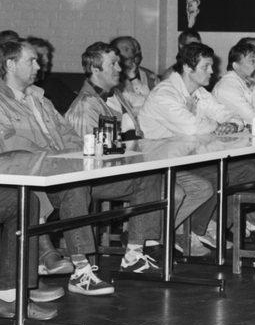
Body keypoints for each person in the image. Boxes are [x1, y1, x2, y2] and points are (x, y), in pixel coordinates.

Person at [0, 38, 154, 299]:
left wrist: (70, 156)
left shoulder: (40, 98)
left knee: (146, 178)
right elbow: (10, 146)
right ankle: (80, 271)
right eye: (32, 60)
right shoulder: (2, 102)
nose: (39, 66)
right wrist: (57, 158)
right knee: (75, 186)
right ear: (11, 65)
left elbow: (69, 135)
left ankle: (134, 254)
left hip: (57, 173)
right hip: (28, 181)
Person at [138, 41, 255, 257]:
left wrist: (232, 124)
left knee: (247, 170)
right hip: (159, 167)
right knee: (205, 185)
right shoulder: (164, 94)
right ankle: (164, 233)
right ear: (187, 67)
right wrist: (217, 125)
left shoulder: (200, 92)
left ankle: (202, 227)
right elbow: (191, 127)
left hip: (188, 161)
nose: (212, 71)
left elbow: (230, 115)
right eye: (206, 66)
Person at [65, 41, 163, 272]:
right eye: (113, 64)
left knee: (151, 176)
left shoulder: (116, 95)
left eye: (118, 63)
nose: (120, 68)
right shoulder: (85, 104)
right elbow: (89, 158)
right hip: (89, 180)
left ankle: (135, 253)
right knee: (149, 177)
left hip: (118, 168)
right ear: (95, 69)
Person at [212, 39, 255, 128]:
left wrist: (246, 122)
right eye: (252, 61)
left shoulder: (254, 81)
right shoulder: (227, 87)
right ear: (236, 65)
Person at [24, 36, 76, 114]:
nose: (47, 60)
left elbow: (75, 104)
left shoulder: (54, 82)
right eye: (40, 56)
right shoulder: (25, 86)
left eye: (47, 55)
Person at [112, 35, 158, 116]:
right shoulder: (109, 78)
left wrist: (133, 78)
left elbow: (150, 102)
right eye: (126, 50)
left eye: (133, 50)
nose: (131, 53)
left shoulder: (146, 75)